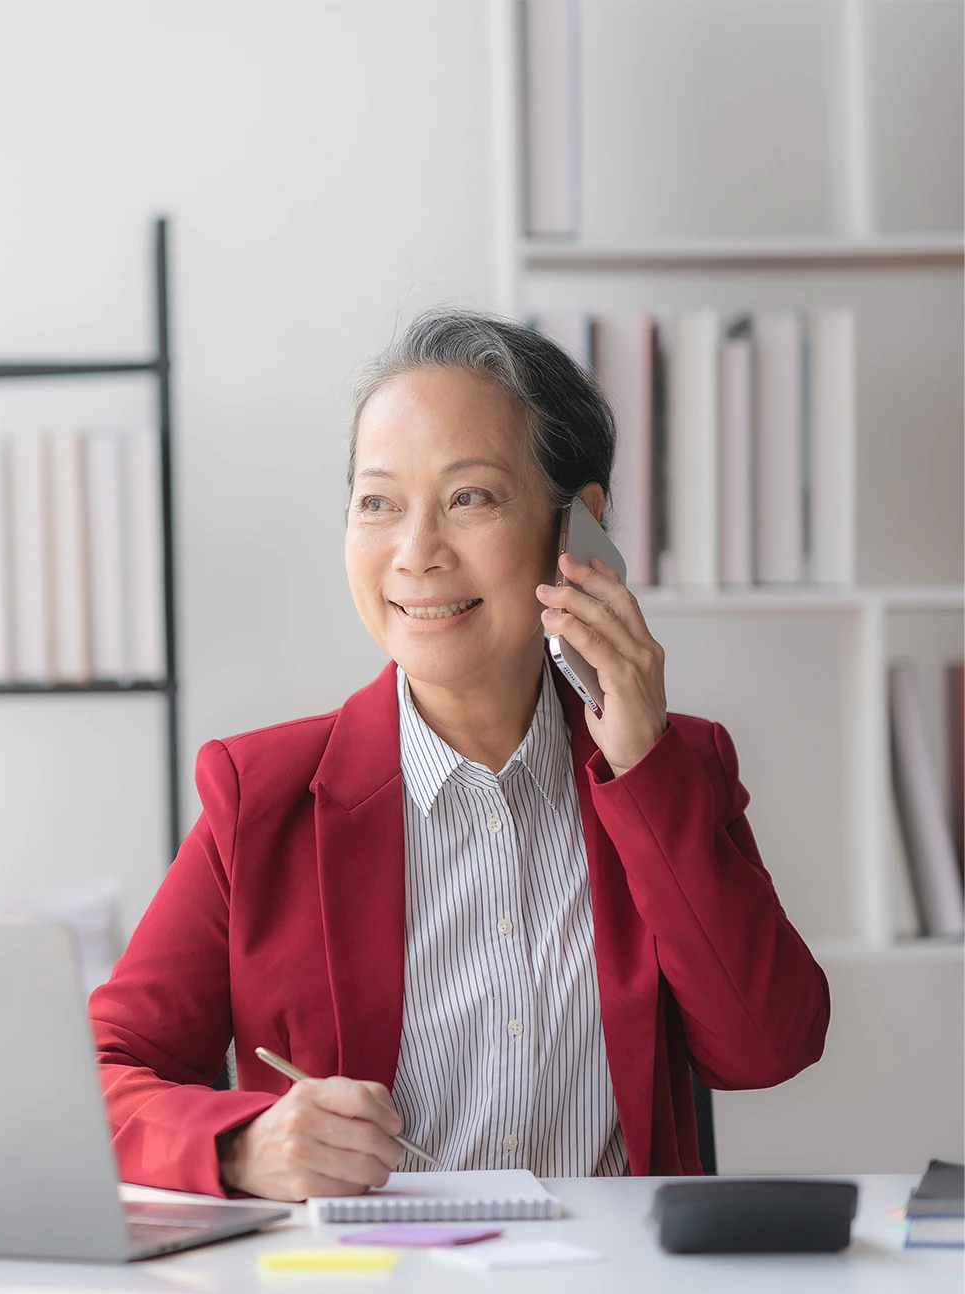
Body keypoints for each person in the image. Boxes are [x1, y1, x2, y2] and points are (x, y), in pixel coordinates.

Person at [89, 309, 829, 1201]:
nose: (416, 552)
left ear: (577, 527)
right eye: (378, 503)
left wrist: (643, 765)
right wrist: (245, 1144)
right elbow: (98, 1071)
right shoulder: (262, 796)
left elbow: (767, 1045)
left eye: (470, 497)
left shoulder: (678, 768)